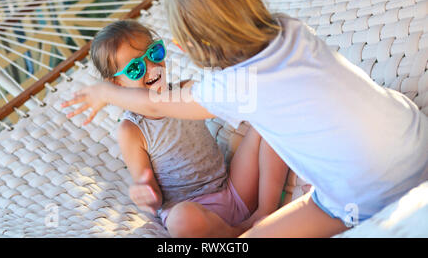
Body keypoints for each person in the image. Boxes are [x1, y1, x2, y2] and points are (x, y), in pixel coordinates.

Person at [62, 0, 428, 237]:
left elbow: (158, 104)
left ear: (191, 47)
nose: (155, 65)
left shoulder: (229, 87)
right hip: (416, 137)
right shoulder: (291, 28)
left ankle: (259, 220)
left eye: (160, 50)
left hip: (368, 191)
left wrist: (103, 92)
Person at [71, 19, 288, 237]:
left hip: (232, 189)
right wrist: (146, 191)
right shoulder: (131, 130)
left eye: (154, 53)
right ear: (117, 85)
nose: (152, 67)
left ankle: (265, 211)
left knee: (268, 121)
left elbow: (224, 97)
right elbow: (149, 186)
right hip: (193, 212)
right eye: (136, 68)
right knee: (181, 219)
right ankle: (238, 232)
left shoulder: (186, 89)